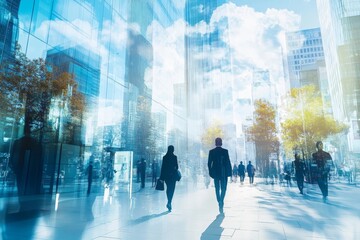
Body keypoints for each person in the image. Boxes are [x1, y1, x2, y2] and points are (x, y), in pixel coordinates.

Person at [208, 137, 232, 214]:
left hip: (215, 173)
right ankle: (221, 200)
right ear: (221, 143)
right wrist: (229, 173)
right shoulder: (225, 151)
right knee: (224, 188)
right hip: (223, 172)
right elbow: (228, 162)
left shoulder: (211, 152)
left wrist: (210, 172)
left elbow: (209, 163)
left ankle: (219, 201)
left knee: (217, 188)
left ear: (215, 143)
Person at [159, 145, 179, 211]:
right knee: (172, 189)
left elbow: (163, 168)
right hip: (173, 176)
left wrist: (161, 178)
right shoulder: (175, 157)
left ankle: (169, 201)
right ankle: (169, 202)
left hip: (166, 176)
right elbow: (177, 167)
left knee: (168, 188)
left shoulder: (165, 157)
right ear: (173, 150)